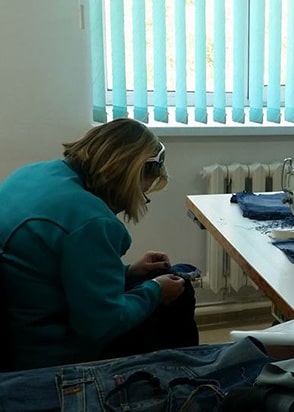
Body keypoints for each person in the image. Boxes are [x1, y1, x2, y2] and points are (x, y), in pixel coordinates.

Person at [0, 118, 198, 371]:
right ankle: (186, 380)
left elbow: (50, 269)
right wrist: (155, 291)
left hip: (22, 327)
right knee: (179, 291)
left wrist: (127, 272)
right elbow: (101, 324)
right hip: (53, 356)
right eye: (143, 192)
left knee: (161, 278)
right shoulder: (92, 221)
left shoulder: (32, 175)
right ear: (133, 174)